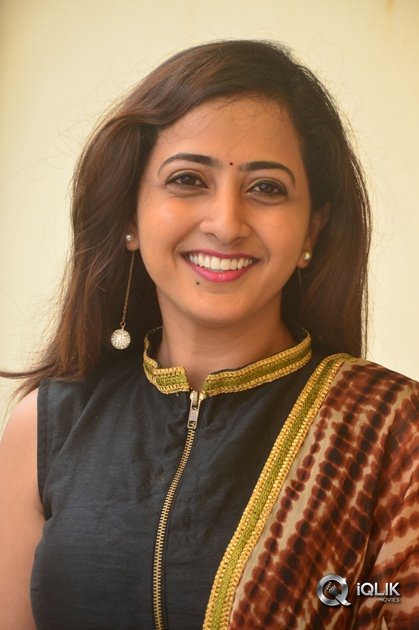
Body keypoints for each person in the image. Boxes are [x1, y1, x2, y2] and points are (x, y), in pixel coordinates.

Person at [0, 40, 417, 630]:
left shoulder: (392, 431)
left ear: (312, 229)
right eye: (188, 179)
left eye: (266, 187)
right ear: (129, 216)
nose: (225, 224)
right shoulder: (44, 428)